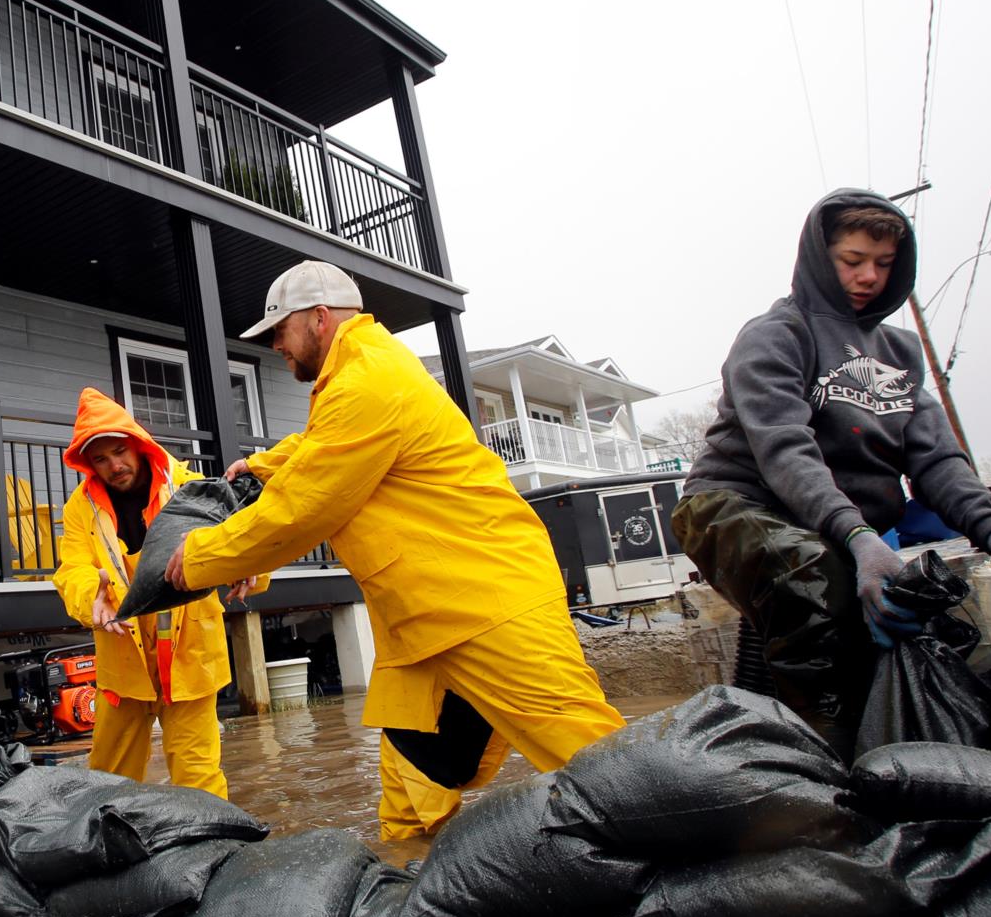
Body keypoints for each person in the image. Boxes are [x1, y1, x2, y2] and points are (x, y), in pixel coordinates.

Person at [161, 261, 627, 839]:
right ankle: (404, 897)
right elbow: (324, 447)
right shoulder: (361, 373)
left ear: (319, 318)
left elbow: (307, 507)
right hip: (421, 623)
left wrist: (202, 559)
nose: (276, 344)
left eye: (279, 330)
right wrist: (262, 464)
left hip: (486, 602)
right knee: (410, 796)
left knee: (594, 760)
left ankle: (694, 880)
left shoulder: (365, 380)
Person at [671, 190, 991, 756]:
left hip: (829, 520)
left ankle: (897, 752)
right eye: (852, 260)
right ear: (819, 256)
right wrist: (858, 536)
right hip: (733, 503)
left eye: (883, 264)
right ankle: (833, 770)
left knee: (904, 607)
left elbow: (937, 459)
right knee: (814, 579)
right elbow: (785, 448)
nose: (868, 276)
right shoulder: (775, 335)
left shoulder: (899, 352)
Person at [52, 388, 255, 797]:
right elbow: (72, 568)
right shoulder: (79, 508)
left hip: (190, 654)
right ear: (89, 465)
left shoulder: (188, 485)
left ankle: (206, 851)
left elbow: (244, 532)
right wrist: (90, 596)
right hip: (122, 656)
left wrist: (248, 567)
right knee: (108, 779)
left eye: (119, 451)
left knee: (199, 778)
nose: (114, 465)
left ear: (138, 443)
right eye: (100, 459)